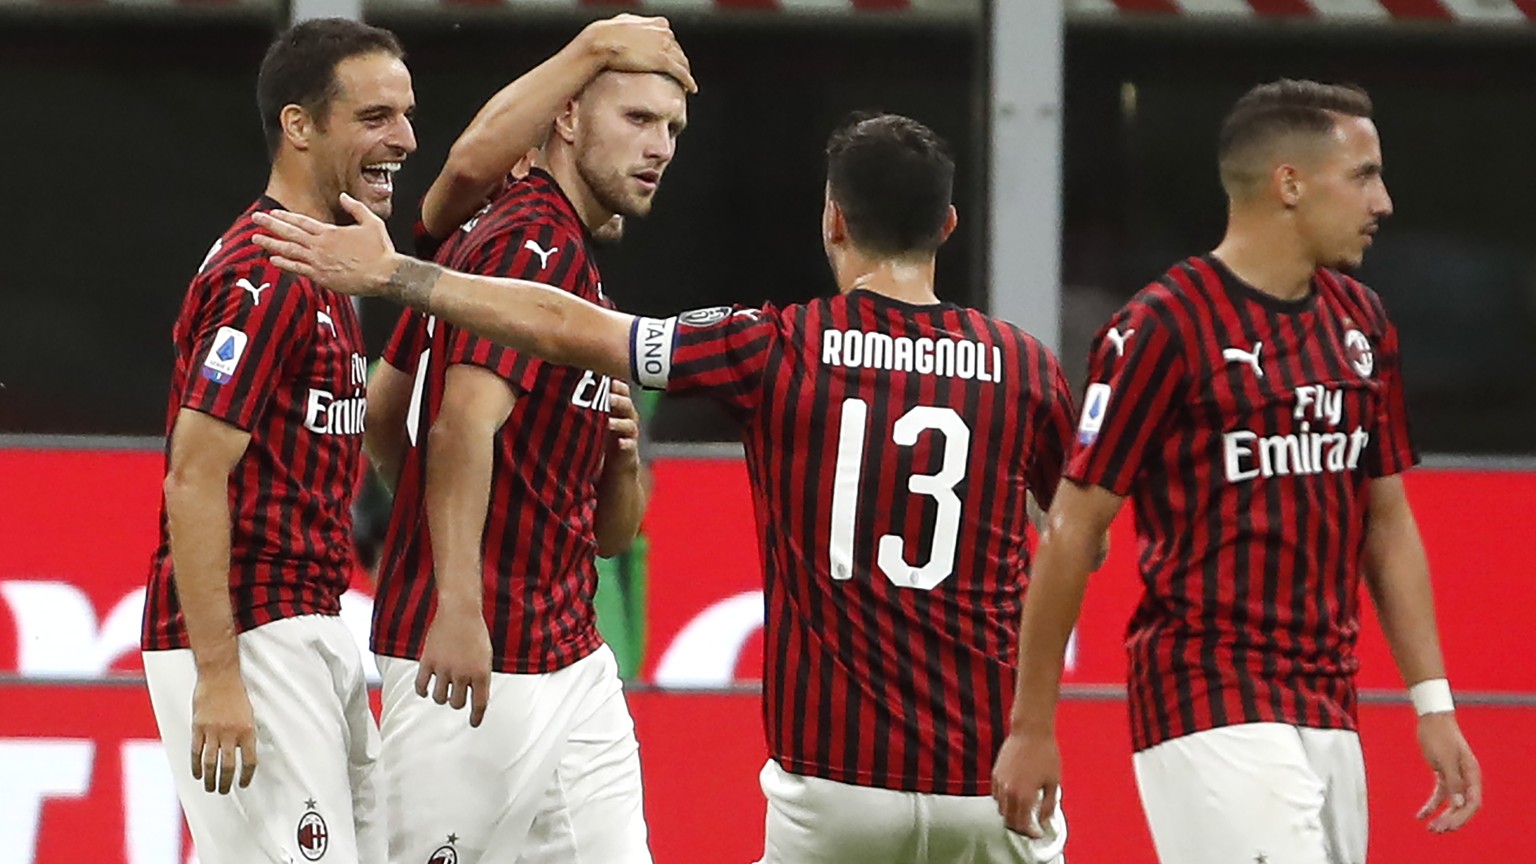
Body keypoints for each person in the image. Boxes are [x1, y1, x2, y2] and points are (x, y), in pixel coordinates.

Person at [253, 111, 1078, 864]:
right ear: (948, 226)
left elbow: (569, 326)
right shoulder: (1027, 370)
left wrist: (400, 275)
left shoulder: (776, 347)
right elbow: (1074, 537)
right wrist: (1033, 719)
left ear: (832, 220)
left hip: (833, 788)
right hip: (990, 778)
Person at [987, 79, 1483, 863]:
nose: (1382, 201)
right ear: (1289, 183)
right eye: (1362, 175)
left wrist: (1433, 703)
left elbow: (1385, 524)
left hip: (1327, 702)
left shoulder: (1362, 325)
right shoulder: (1161, 327)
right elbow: (1073, 529)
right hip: (1205, 697)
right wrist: (1031, 726)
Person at [357, 51, 691, 864]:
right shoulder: (530, 245)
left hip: (570, 655)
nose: (661, 148)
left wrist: (624, 462)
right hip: (476, 659)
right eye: (638, 120)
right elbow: (458, 427)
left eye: (673, 129)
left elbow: (385, 407)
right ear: (567, 121)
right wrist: (458, 599)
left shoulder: (547, 262)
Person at [140, 18, 414, 864]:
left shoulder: (321, 264)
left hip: (312, 620)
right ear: (300, 125)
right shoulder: (262, 276)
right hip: (251, 635)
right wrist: (221, 678)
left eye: (405, 114)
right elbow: (193, 477)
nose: (403, 138)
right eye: (374, 117)